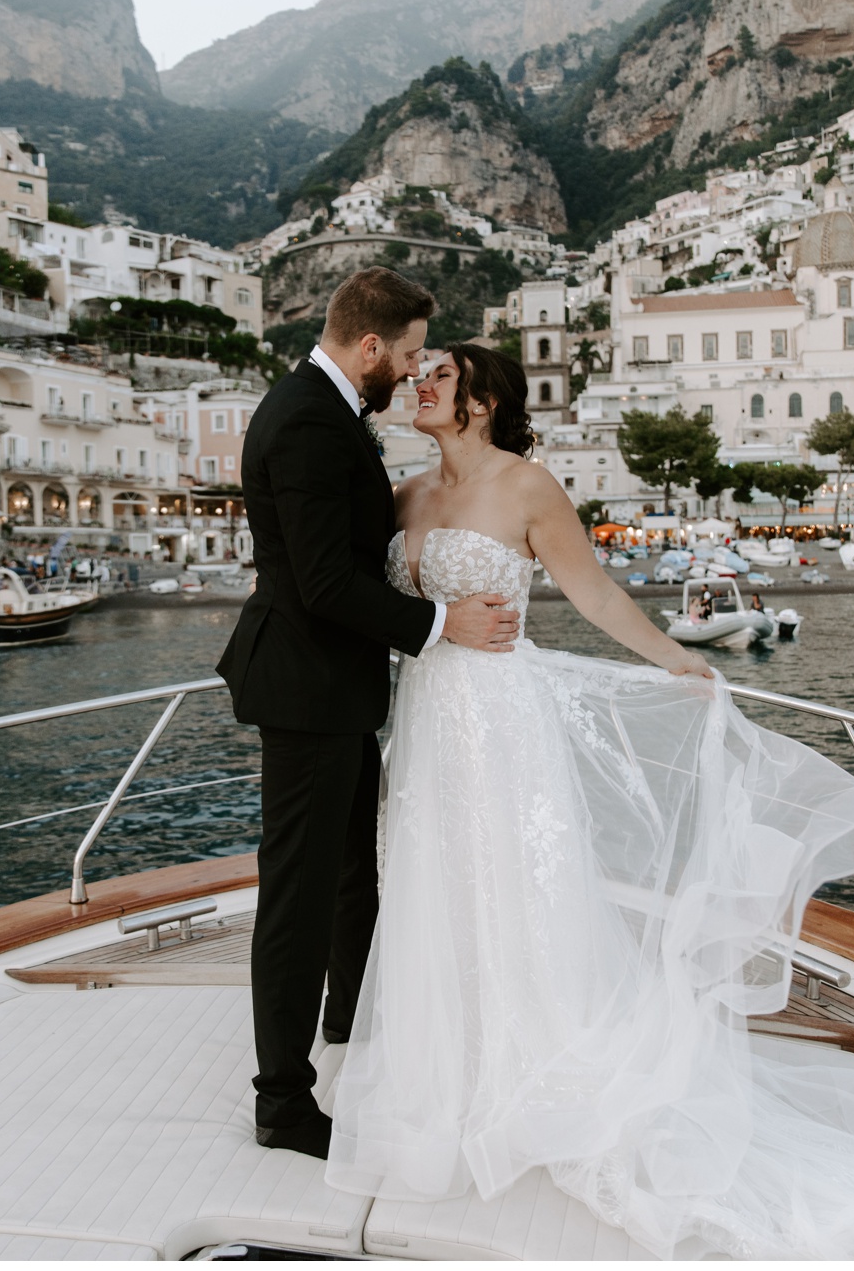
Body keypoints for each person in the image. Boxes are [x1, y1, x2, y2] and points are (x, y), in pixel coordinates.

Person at [315, 341, 854, 1259]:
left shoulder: (528, 487)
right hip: (429, 720)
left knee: (517, 885)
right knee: (437, 885)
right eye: (421, 373)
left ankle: (534, 1065)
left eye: (439, 376)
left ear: (480, 402)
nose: (420, 383)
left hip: (501, 719)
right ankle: (457, 1064)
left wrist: (678, 659)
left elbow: (595, 593)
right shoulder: (404, 494)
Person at [216, 269, 521, 1164]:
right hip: (307, 691)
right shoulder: (309, 417)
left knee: (354, 873)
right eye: (416, 351)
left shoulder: (327, 409)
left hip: (336, 688)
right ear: (374, 347)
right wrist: (439, 621)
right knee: (300, 895)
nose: (418, 368)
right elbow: (320, 581)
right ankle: (283, 1101)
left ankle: (350, 1020)